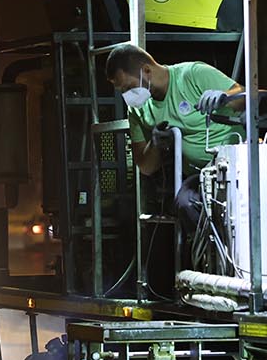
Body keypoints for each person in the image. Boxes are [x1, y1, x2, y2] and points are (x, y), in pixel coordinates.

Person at [104, 43, 243, 241]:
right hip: (200, 176)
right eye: (122, 91)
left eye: (129, 87)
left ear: (146, 70)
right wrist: (156, 144)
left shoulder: (193, 75)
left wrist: (226, 97)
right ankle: (208, 257)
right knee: (185, 203)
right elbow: (146, 167)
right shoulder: (138, 110)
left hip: (236, 167)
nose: (127, 96)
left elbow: (249, 96)